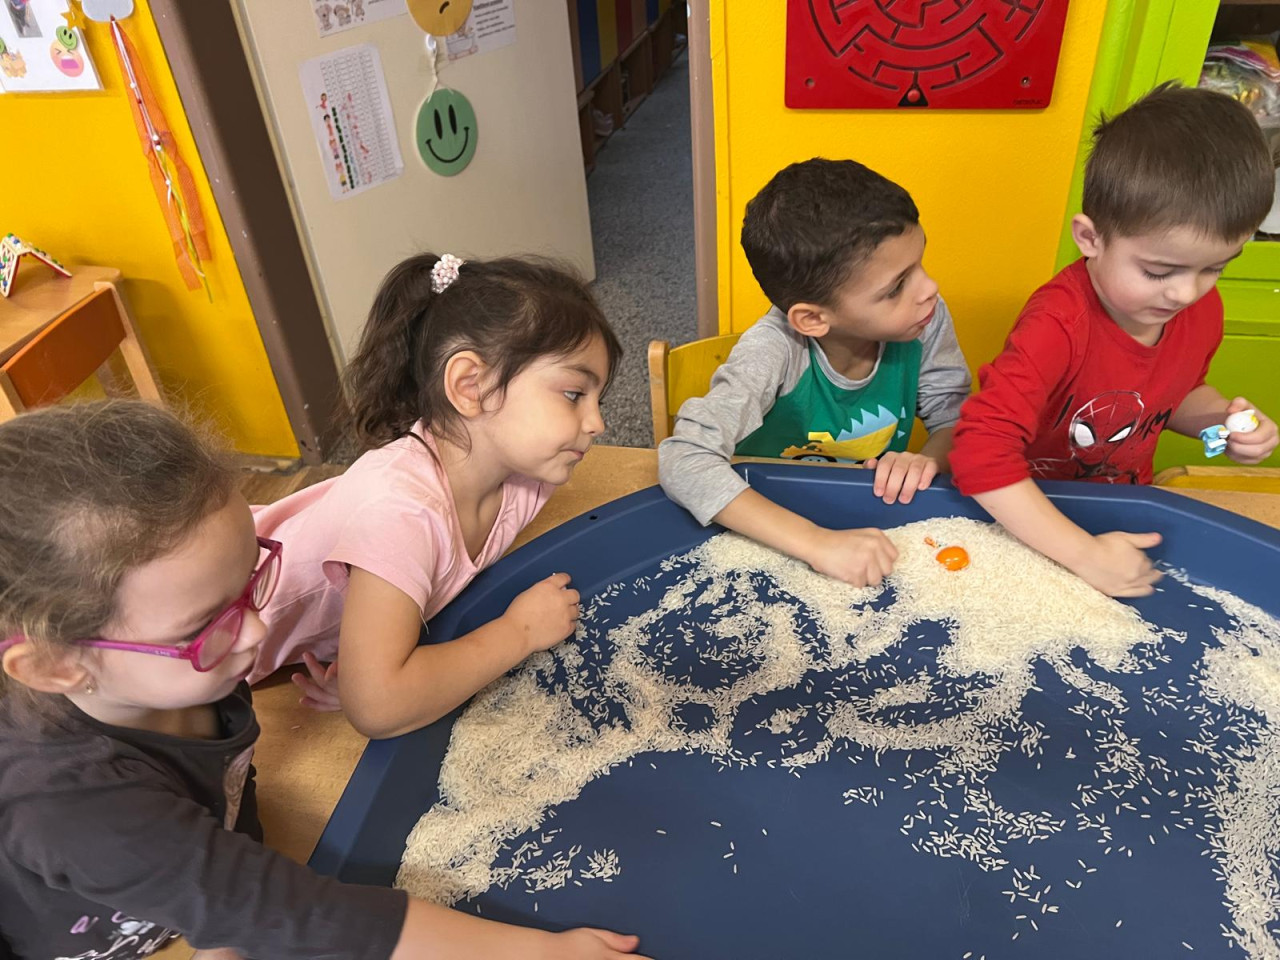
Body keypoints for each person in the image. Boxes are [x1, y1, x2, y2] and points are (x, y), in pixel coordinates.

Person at [0, 401, 646, 960]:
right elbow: (306, 916)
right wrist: (545, 951)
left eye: (249, 583)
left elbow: (232, 856)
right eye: (207, 625)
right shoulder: (69, 808)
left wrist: (224, 917)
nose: (255, 631)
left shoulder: (187, 670)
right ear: (56, 666)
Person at [252, 254, 621, 738]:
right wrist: (520, 632)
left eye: (598, 400)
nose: (597, 423)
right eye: (574, 394)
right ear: (471, 386)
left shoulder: (527, 476)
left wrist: (367, 668)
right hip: (203, 629)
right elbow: (377, 707)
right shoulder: (400, 512)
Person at [951, 83, 1280, 597]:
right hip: (1033, 520)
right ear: (1090, 238)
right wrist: (1084, 555)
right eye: (1158, 271)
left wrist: (1222, 424)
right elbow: (980, 451)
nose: (1186, 292)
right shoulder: (1058, 324)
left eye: (1214, 268)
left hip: (1121, 511)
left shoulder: (1198, 307)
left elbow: (1175, 396)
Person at [659, 158, 971, 587]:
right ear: (812, 319)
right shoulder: (773, 352)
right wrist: (816, 543)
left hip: (860, 511)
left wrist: (926, 459)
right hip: (773, 525)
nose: (929, 288)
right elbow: (683, 460)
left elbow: (955, 417)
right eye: (897, 287)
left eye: (920, 262)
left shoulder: (924, 317)